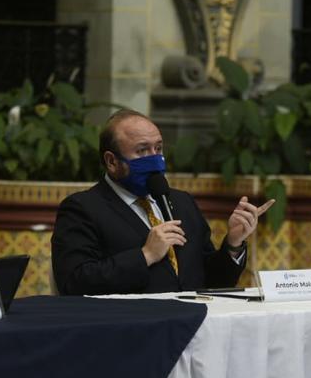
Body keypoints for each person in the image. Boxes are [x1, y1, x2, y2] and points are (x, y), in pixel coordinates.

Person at [52, 109, 274, 295]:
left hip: (194, 327)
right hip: (130, 331)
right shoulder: (83, 208)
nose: (155, 159)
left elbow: (211, 281)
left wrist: (233, 244)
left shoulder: (181, 202)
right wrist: (145, 255)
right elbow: (74, 282)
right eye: (142, 151)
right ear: (111, 161)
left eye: (158, 148)